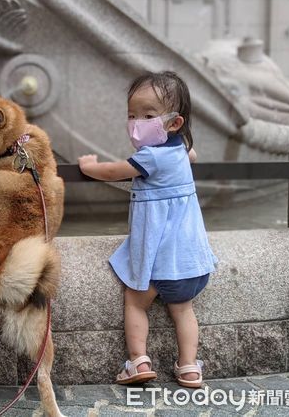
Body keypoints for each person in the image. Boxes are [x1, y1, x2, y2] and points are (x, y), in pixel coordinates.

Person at [78, 71, 217, 388]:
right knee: (183, 311)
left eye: (148, 115)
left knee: (135, 302)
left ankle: (138, 360)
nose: (136, 123)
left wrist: (88, 167)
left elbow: (114, 171)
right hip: (188, 262)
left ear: (174, 123)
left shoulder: (150, 157)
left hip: (155, 263)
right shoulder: (181, 149)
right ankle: (189, 367)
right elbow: (192, 154)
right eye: (131, 115)